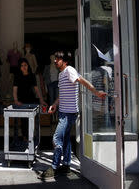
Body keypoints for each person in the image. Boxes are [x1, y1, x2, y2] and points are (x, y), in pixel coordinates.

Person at [39, 50, 107, 179]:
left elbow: (82, 81)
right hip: (63, 111)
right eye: (55, 58)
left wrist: (96, 92)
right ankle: (66, 166)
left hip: (69, 114)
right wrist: (54, 104)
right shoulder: (61, 75)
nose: (55, 60)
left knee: (56, 139)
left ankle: (54, 167)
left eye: (58, 58)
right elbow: (63, 94)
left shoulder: (70, 70)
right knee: (65, 140)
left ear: (64, 61)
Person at [13, 58, 48, 141]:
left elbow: (36, 89)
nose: (24, 67)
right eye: (22, 66)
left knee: (31, 119)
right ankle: (25, 136)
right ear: (20, 67)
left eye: (25, 65)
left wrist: (41, 100)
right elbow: (15, 90)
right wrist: (16, 100)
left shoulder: (32, 76)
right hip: (21, 100)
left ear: (28, 66)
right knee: (24, 120)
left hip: (31, 99)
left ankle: (31, 136)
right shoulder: (17, 76)